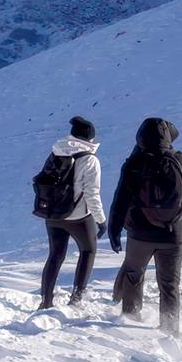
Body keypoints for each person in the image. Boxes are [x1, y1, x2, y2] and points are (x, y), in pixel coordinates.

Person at [108, 118, 182, 336]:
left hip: (140, 234)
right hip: (174, 234)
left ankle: (131, 319)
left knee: (133, 274)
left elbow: (120, 200)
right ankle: (169, 329)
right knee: (169, 284)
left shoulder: (134, 163)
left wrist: (114, 230)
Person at [38, 116, 106, 309]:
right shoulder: (90, 160)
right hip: (78, 218)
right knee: (88, 250)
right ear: (90, 139)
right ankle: (76, 299)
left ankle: (46, 300)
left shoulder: (56, 152)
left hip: (53, 215)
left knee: (55, 256)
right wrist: (101, 220)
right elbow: (92, 194)